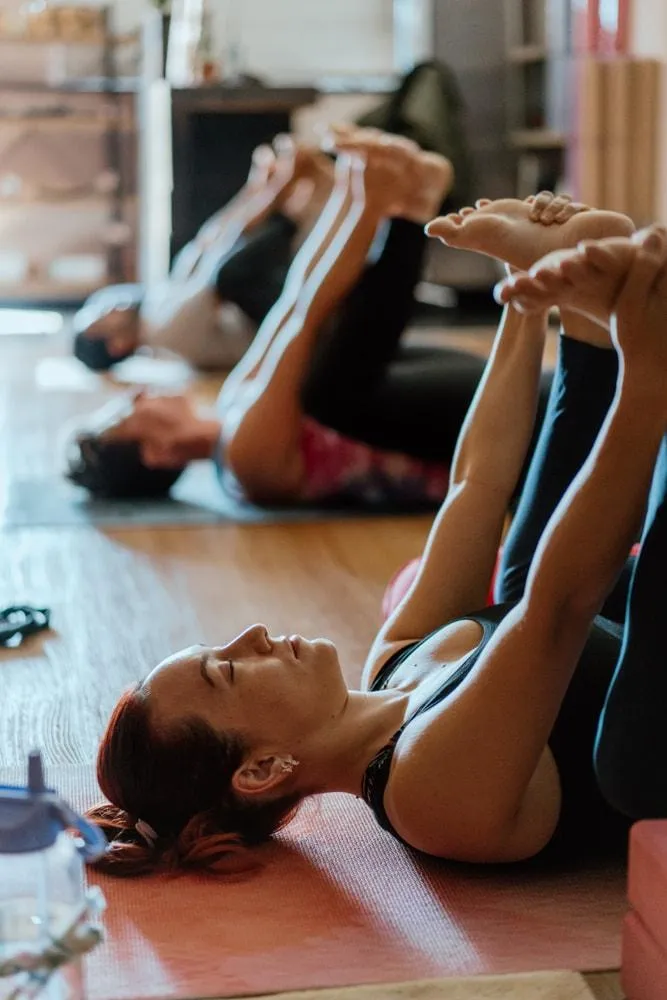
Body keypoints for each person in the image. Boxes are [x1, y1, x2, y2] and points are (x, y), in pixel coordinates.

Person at [85, 192, 667, 876]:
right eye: (229, 668)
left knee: (514, 578)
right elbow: (558, 608)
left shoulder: (395, 664)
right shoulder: (427, 796)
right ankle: (620, 346)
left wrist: (522, 297)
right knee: (619, 745)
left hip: (614, 605)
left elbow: (474, 489)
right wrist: (647, 378)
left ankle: (586, 335)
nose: (252, 636)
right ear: (262, 769)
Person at [66, 134, 559, 509]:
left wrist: (352, 189)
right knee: (327, 390)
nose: (136, 394)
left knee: (322, 369)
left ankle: (413, 206)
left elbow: (291, 305)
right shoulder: (246, 460)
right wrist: (368, 204)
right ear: (158, 453)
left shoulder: (235, 407)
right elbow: (304, 317)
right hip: (522, 453)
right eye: (124, 415)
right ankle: (411, 212)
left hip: (491, 411)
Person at [72, 138, 334, 372]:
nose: (110, 307)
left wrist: (255, 188)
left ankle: (287, 186)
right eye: (103, 318)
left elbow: (206, 242)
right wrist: (276, 191)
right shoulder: (167, 333)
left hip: (260, 287)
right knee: (228, 270)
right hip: (275, 314)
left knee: (211, 249)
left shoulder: (156, 308)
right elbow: (220, 267)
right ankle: (296, 193)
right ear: (117, 346)